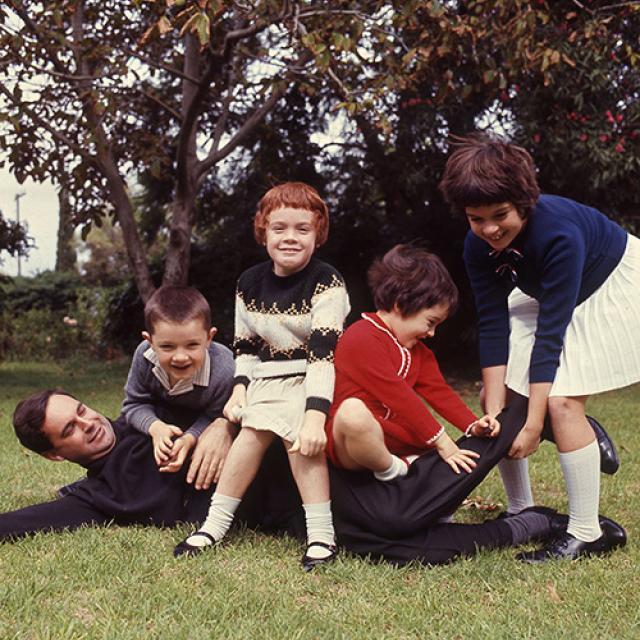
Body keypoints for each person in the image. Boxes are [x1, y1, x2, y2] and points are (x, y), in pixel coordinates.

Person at [438, 133, 637, 562]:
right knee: (503, 400)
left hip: (608, 285)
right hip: (545, 294)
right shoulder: (477, 244)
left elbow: (552, 334)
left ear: (524, 203)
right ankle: (522, 510)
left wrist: (533, 424)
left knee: (562, 403)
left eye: (500, 216)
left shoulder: (559, 234)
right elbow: (492, 322)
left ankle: (586, 532)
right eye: (476, 218)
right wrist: (495, 409)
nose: (489, 229)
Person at [174, 182, 351, 570]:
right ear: (263, 232)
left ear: (318, 234)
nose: (290, 238)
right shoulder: (249, 283)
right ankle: (215, 524)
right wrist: (239, 393)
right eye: (279, 228)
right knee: (249, 434)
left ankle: (321, 534)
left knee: (296, 437)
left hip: (312, 378)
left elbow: (324, 354)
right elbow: (247, 348)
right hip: (267, 381)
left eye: (302, 229)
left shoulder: (327, 282)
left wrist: (315, 416)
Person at [2, 390, 303, 541]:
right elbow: (28, 521)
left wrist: (223, 424)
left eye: (81, 410)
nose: (89, 423)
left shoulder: (154, 412)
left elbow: (240, 384)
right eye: (70, 429)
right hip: (286, 513)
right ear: (54, 455)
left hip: (297, 456)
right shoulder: (100, 496)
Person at [326, 244, 500, 485]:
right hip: (351, 443)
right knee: (352, 411)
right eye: (430, 322)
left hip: (393, 437)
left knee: (438, 456)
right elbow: (397, 394)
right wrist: (442, 441)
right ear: (400, 304)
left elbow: (440, 392)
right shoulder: (360, 337)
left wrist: (472, 425)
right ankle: (392, 469)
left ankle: (413, 472)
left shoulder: (419, 352)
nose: (432, 333)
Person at [121, 286, 234, 475]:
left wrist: (190, 438)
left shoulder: (224, 370)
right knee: (125, 440)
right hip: (162, 418)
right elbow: (133, 404)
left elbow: (215, 417)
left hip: (201, 423)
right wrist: (155, 428)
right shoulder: (144, 355)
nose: (180, 357)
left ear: (209, 338)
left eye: (192, 345)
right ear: (150, 341)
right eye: (167, 347)